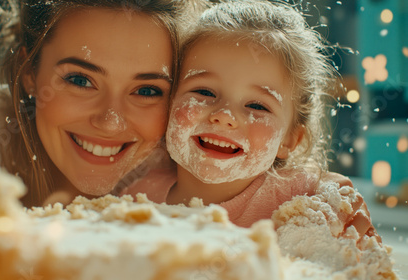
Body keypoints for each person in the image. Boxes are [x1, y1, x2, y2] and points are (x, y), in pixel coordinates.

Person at [122, 0, 379, 240]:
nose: (224, 116)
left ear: (290, 139)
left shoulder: (302, 201)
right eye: (204, 92)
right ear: (169, 102)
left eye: (257, 106)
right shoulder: (136, 200)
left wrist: (333, 192)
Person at [0, 0, 204, 207]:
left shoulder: (189, 165)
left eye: (147, 90)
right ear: (29, 71)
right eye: (80, 80)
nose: (110, 121)